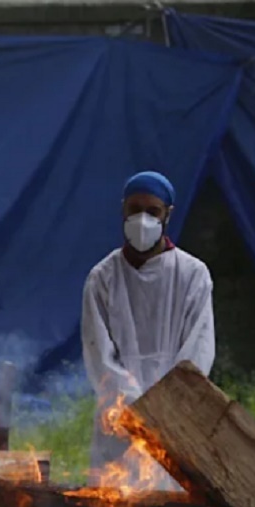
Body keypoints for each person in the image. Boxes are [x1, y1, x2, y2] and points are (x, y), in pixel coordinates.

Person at [81, 171, 215, 490]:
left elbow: (197, 349)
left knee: (173, 503)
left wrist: (165, 408)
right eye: (134, 209)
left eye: (152, 211)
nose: (142, 220)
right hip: (119, 417)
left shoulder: (192, 274)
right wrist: (133, 407)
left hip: (174, 417)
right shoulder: (102, 277)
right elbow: (99, 354)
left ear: (168, 214)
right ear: (122, 211)